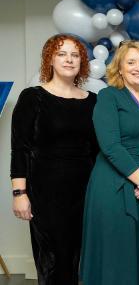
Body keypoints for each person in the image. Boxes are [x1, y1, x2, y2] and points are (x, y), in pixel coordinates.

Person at [10, 34, 97, 284]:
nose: (69, 59)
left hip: (85, 192)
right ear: (50, 60)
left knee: (77, 258)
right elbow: (20, 149)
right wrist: (19, 194)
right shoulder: (32, 98)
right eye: (62, 54)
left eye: (75, 55)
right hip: (45, 194)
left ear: (82, 62)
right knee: (53, 260)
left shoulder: (92, 101)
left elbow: (98, 151)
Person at [80, 40, 139, 285]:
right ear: (119, 68)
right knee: (117, 258)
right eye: (131, 62)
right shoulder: (108, 96)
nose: (138, 67)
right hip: (115, 186)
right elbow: (110, 146)